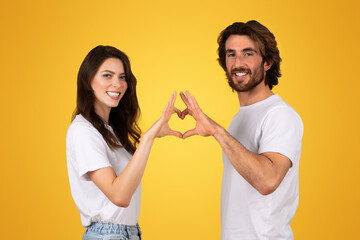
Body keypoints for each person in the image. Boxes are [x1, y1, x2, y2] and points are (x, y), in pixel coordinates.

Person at [179, 21, 304, 239]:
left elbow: (267, 181)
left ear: (268, 62)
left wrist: (217, 131)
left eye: (248, 54)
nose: (238, 63)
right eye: (231, 54)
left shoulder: (280, 115)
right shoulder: (239, 118)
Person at [66, 45, 182, 240]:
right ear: (88, 80)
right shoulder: (82, 131)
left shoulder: (110, 131)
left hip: (128, 233)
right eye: (107, 75)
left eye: (122, 77)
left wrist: (152, 136)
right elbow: (119, 196)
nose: (117, 84)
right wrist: (148, 137)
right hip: (108, 235)